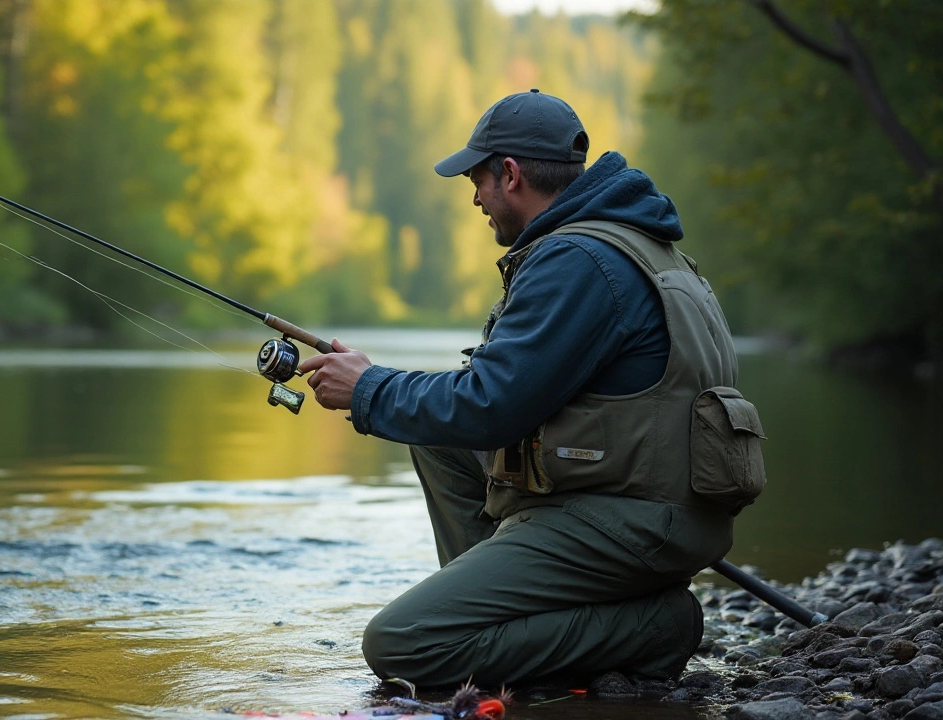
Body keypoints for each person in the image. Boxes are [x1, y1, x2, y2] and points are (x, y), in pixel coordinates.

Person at [298, 90, 763, 688]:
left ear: (510, 175)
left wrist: (368, 391)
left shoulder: (578, 260)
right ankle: (505, 618)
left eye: (477, 179)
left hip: (635, 520)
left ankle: (654, 625)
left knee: (402, 645)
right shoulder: (635, 243)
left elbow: (491, 406)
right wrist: (381, 385)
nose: (474, 198)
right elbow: (494, 402)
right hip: (651, 502)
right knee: (436, 437)